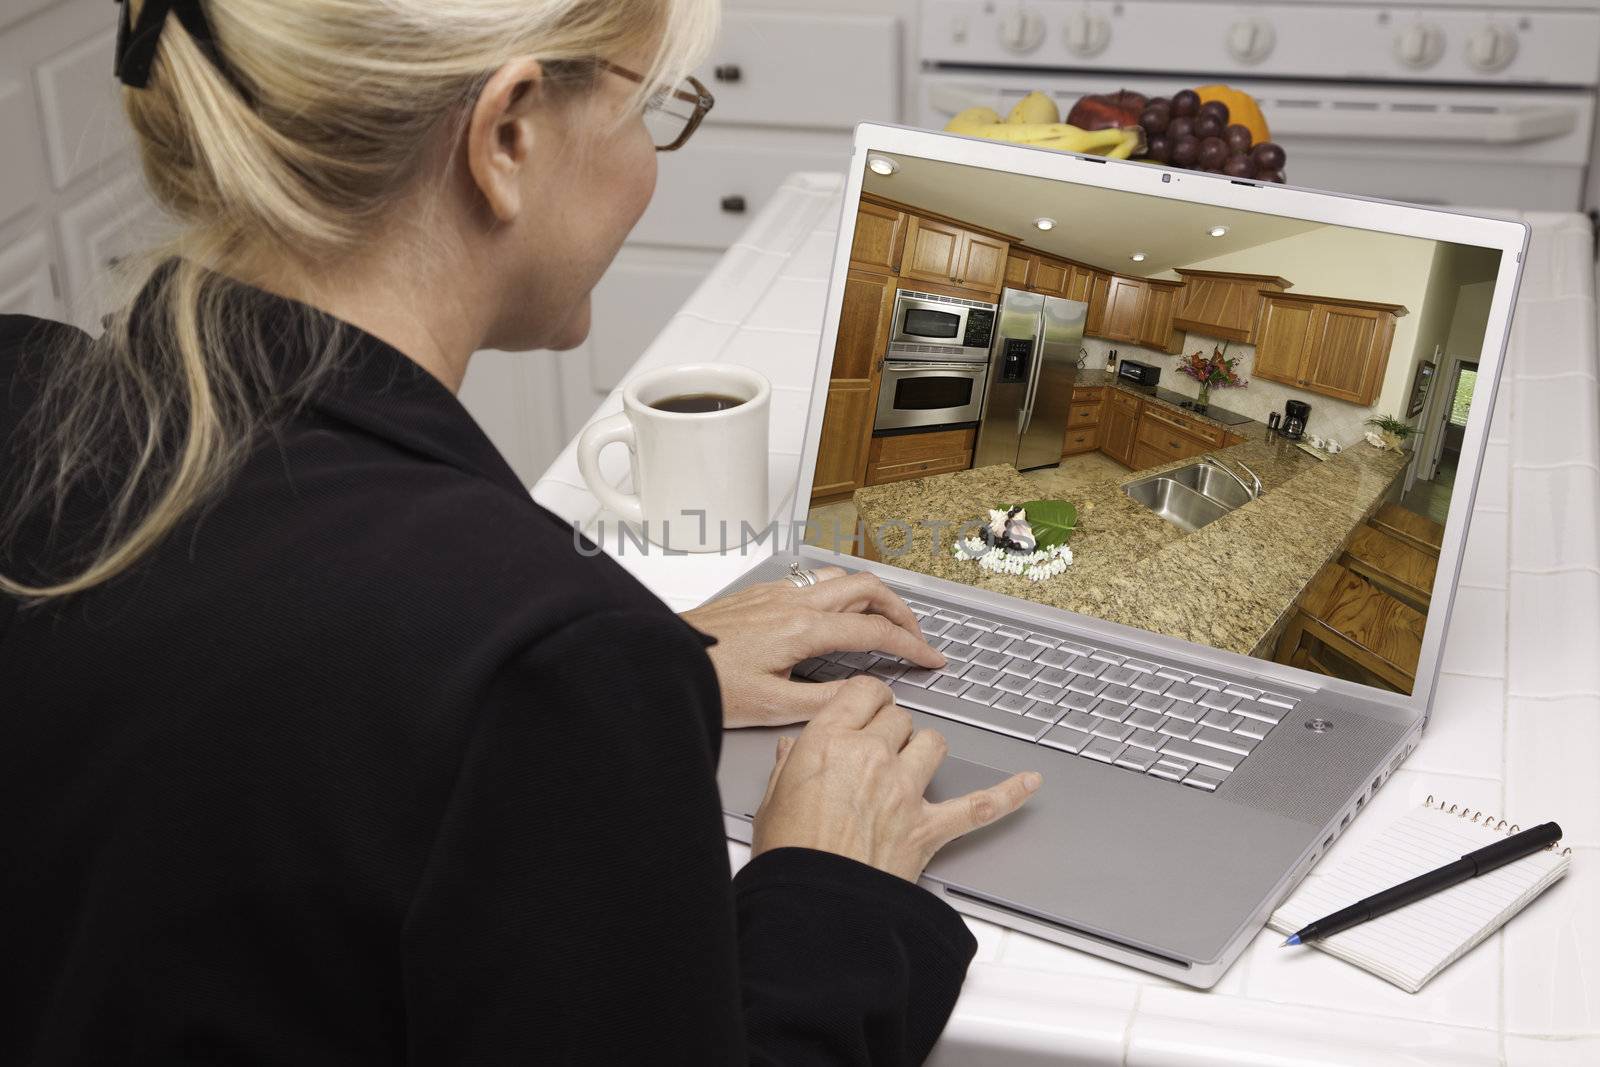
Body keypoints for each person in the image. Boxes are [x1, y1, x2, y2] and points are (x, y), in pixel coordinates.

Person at [0, 1, 1043, 1063]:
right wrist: (835, 883)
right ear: (506, 137)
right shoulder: (542, 656)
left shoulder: (25, 389)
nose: (649, 163)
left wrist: (625, 672)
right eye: (651, 111)